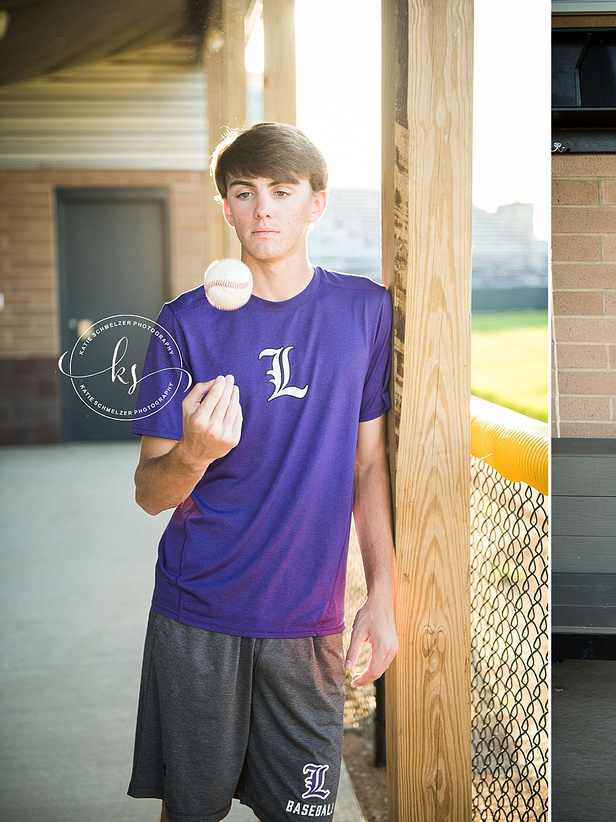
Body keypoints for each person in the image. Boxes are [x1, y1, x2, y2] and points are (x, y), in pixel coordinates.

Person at [127, 122, 398, 822]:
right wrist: (193, 453)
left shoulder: (364, 311)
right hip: (200, 610)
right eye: (244, 194)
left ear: (316, 204)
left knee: (304, 812)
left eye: (282, 192)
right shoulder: (182, 324)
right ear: (226, 208)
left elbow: (368, 464)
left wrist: (385, 594)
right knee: (192, 811)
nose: (263, 210)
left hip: (309, 620)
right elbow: (149, 493)